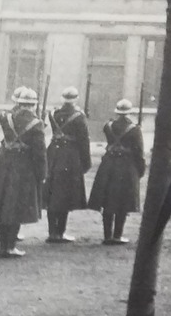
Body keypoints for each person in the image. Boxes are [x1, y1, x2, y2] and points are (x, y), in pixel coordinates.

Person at [0, 87, 47, 258]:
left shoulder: (6, 117)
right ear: (33, 105)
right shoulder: (36, 123)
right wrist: (41, 174)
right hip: (23, 168)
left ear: (18, 103)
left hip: (4, 164)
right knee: (17, 207)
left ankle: (3, 240)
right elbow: (39, 153)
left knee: (4, 204)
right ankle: (9, 247)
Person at [87, 98, 146, 245]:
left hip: (108, 165)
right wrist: (140, 169)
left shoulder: (108, 126)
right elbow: (139, 152)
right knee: (123, 202)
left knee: (107, 201)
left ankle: (107, 236)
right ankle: (117, 235)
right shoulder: (135, 129)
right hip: (126, 167)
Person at [44, 86, 92, 243]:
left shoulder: (53, 114)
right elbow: (84, 141)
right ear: (76, 99)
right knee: (64, 195)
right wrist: (86, 163)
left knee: (52, 194)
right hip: (70, 157)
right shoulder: (79, 116)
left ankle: (52, 232)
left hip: (53, 155)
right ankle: (60, 232)